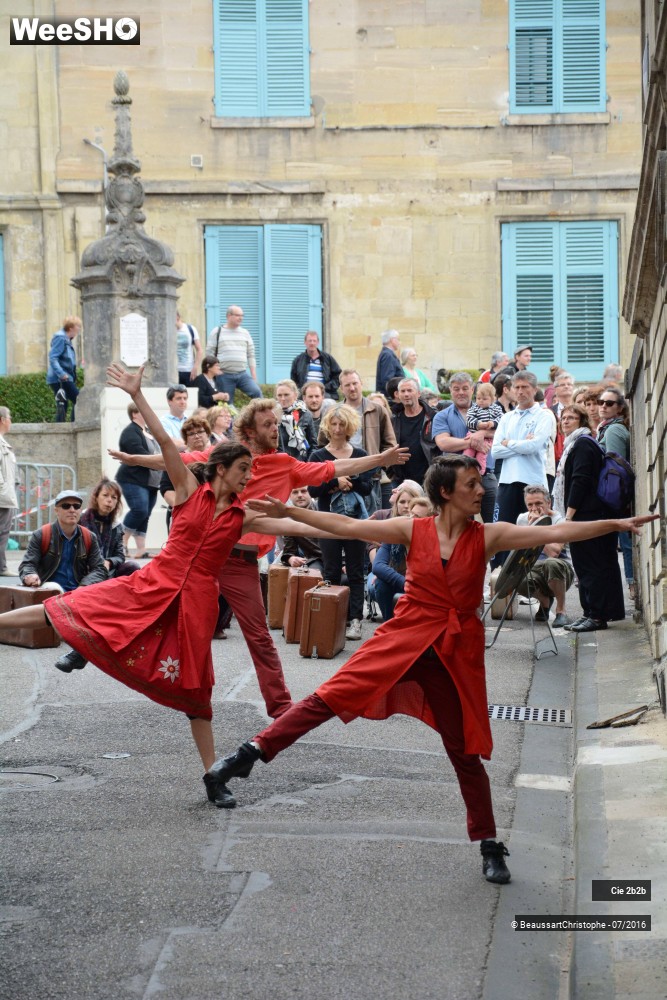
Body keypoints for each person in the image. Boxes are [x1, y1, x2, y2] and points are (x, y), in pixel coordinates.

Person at [210, 455, 657, 884]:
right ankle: (247, 756)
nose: (481, 491)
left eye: (479, 484)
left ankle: (487, 843)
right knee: (325, 699)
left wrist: (617, 524)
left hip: (452, 651)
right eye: (471, 485)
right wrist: (289, 509)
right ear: (446, 493)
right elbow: (345, 525)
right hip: (403, 637)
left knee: (463, 751)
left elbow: (560, 529)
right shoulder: (412, 529)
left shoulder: (489, 536)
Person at [0, 363, 362, 810]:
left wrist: (360, 529)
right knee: (66, 608)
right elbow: (167, 443)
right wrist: (137, 394)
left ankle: (213, 775)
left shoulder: (241, 515)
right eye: (244, 469)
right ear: (223, 468)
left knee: (196, 689)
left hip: (196, 602)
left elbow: (313, 522)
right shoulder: (191, 490)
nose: (250, 477)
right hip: (154, 583)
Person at [109, 396, 410, 720]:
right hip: (206, 553)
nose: (275, 429)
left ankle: (280, 709)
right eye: (268, 424)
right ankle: (95, 640)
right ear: (250, 431)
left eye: (275, 423)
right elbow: (174, 457)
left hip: (242, 560)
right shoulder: (227, 456)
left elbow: (335, 467)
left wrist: (381, 457)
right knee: (153, 604)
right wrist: (131, 459)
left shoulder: (284, 464)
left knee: (259, 635)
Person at [17, 488, 107, 673]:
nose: (72, 509)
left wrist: (84, 586)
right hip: (50, 593)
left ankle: (78, 647)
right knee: (56, 590)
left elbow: (99, 569)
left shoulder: (89, 537)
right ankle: (79, 644)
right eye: (66, 506)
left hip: (77, 595)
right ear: (56, 510)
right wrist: (30, 576)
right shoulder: (42, 534)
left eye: (76, 506)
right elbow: (27, 564)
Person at [553, 404, 626, 632]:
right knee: (588, 565)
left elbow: (580, 480)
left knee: (592, 565)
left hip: (588, 515)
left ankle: (596, 616)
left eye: (572, 418)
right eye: (563, 418)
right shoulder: (574, 445)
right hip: (588, 515)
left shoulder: (583, 443)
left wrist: (569, 516)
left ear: (582, 422)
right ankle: (591, 613)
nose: (566, 421)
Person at [308, 404, 375, 641]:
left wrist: (351, 483)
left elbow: (367, 488)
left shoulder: (360, 454)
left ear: (349, 427)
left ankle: (355, 620)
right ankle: (331, 616)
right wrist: (335, 481)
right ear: (327, 426)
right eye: (333, 424)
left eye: (342, 425)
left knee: (357, 571)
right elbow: (313, 489)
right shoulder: (318, 456)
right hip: (327, 521)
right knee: (331, 570)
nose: (337, 429)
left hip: (355, 520)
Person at [491, 371, 553, 562]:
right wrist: (521, 445)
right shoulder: (506, 418)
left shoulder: (544, 416)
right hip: (508, 482)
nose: (520, 391)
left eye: (525, 387)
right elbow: (495, 451)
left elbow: (534, 446)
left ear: (534, 389)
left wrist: (509, 443)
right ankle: (500, 579)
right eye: (516, 387)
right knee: (503, 531)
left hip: (533, 482)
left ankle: (533, 579)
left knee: (533, 533)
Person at [433, 372, 497, 523]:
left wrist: (481, 432)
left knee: (494, 523)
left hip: (486, 475)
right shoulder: (442, 416)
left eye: (465, 388)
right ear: (450, 390)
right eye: (456, 389)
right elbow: (443, 443)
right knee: (462, 525)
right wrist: (473, 440)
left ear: (472, 389)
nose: (461, 392)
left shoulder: (489, 410)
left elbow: (501, 431)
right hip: (456, 477)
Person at [514, 484, 574, 628]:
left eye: (539, 503)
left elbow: (554, 552)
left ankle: (561, 611)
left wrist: (536, 527)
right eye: (530, 504)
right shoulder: (522, 519)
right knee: (514, 578)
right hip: (534, 567)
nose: (534, 508)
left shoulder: (559, 521)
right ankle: (544, 602)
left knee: (551, 563)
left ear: (549, 503)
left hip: (560, 568)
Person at [340, 369, 398, 513]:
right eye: (347, 385)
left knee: (372, 523)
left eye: (355, 383)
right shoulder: (335, 412)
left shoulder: (377, 410)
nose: (352, 388)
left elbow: (390, 444)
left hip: (371, 479)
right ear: (341, 388)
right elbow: (323, 445)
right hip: (343, 477)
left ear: (361, 384)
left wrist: (377, 466)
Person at [596, 387, 634, 596]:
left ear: (619, 408)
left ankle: (632, 587)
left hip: (616, 496)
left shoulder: (614, 430)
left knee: (625, 541)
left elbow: (616, 468)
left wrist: (614, 499)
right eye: (601, 402)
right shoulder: (608, 427)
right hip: (616, 496)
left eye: (609, 403)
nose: (603, 406)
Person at [115, 402, 161, 559]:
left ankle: (141, 549)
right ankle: (121, 542)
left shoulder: (147, 431)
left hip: (151, 481)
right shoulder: (130, 432)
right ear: (134, 414)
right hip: (132, 478)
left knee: (145, 513)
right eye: (143, 411)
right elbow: (140, 454)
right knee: (139, 509)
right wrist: (159, 461)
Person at [389, 377, 438, 487]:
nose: (406, 394)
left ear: (418, 393)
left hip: (429, 479)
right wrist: (391, 472)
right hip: (401, 481)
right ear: (398, 394)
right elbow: (385, 446)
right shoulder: (393, 419)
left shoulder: (433, 417)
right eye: (403, 391)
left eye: (410, 390)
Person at [206, 305, 262, 401]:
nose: (241, 318)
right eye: (237, 315)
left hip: (242, 374)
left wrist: (253, 375)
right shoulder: (217, 331)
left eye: (242, 315)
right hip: (224, 375)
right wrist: (212, 372)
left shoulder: (245, 333)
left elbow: (251, 354)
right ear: (228, 316)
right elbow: (209, 354)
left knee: (257, 393)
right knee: (227, 404)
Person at [79, 478, 131, 578]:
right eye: (105, 495)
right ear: (96, 497)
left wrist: (109, 562)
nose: (109, 500)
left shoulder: (117, 525)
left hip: (107, 570)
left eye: (114, 497)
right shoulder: (80, 519)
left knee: (132, 567)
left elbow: (120, 556)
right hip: (85, 570)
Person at [280, 486, 324, 573]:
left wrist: (345, 563)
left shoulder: (323, 508)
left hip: (341, 560)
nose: (299, 495)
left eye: (303, 491)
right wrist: (291, 559)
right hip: (316, 561)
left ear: (310, 493)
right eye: (295, 492)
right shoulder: (289, 521)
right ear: (290, 496)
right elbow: (288, 551)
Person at [463, 382, 503, 475]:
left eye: (484, 399)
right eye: (478, 398)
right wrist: (478, 424)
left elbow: (501, 419)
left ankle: (479, 472)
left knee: (482, 455)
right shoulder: (474, 408)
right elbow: (469, 420)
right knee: (468, 452)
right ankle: (465, 469)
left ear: (492, 399)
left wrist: (493, 423)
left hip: (487, 438)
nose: (481, 401)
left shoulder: (496, 408)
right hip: (473, 434)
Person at [46, 316, 81, 422]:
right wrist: (61, 373)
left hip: (62, 378)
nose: (79, 329)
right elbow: (53, 358)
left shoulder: (66, 339)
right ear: (70, 328)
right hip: (60, 378)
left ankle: (62, 427)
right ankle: (74, 425)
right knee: (79, 399)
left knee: (63, 403)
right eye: (78, 326)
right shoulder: (60, 338)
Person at [290, 331, 342, 400]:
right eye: (309, 341)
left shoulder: (328, 358)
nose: (312, 343)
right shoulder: (298, 360)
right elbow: (293, 381)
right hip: (304, 395)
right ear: (305, 342)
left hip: (325, 394)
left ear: (318, 342)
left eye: (314, 341)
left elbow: (338, 376)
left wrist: (326, 387)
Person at [274, 379, 317, 459]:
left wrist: (308, 464)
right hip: (278, 465)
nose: (283, 398)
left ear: (295, 395)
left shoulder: (305, 415)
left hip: (301, 466)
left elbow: (313, 445)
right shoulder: (272, 415)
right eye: (279, 395)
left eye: (286, 395)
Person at [0, 407, 17, 576]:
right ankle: (1, 567)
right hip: (2, 497)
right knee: (2, 532)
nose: (10, 421)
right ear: (2, 420)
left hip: (5, 495)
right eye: (9, 417)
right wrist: (4, 488)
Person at [175, 312, 203, 387]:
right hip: (174, 371)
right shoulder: (168, 331)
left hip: (188, 370)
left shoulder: (190, 329)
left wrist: (195, 367)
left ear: (177, 318)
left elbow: (199, 349)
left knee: (189, 395)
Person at [375, 329, 404, 396]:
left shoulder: (387, 354)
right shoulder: (388, 355)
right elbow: (388, 380)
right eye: (398, 339)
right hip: (390, 398)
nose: (399, 342)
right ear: (392, 340)